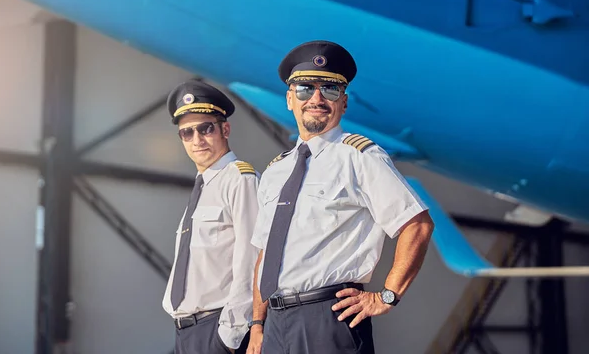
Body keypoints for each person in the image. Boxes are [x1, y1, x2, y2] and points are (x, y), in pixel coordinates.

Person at [246, 41, 435, 354]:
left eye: (330, 89)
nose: (317, 99)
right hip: (275, 325)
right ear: (290, 99)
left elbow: (417, 225)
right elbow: (266, 254)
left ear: (344, 102)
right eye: (305, 88)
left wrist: (387, 295)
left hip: (329, 319)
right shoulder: (276, 171)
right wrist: (257, 323)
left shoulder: (360, 157)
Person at [162, 80, 260, 354]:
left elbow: (252, 261)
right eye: (187, 133)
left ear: (224, 129)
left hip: (217, 331)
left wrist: (228, 338)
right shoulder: (203, 187)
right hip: (187, 333)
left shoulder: (240, 180)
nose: (197, 140)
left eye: (205, 128)